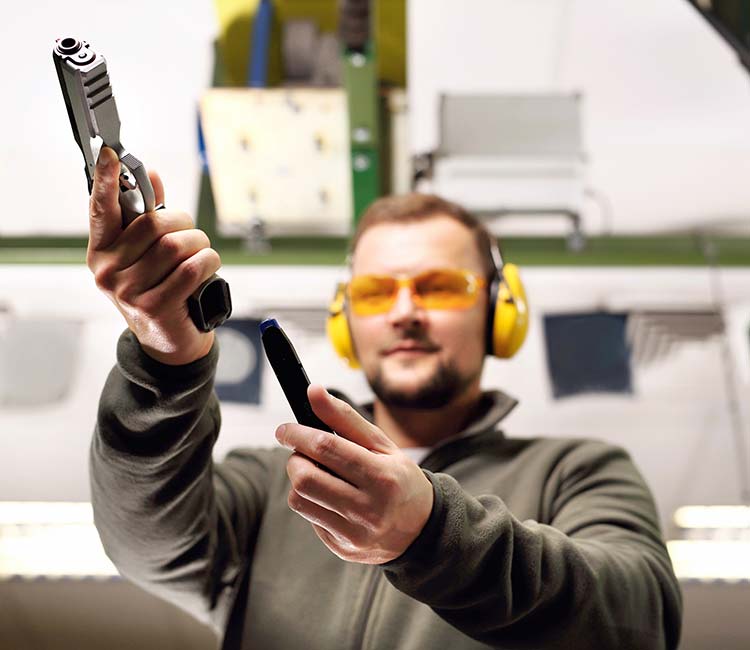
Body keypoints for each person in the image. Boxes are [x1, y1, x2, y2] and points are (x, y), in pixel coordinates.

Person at [88, 146, 682, 649]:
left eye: (439, 287)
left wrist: (432, 534)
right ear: (347, 321)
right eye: (376, 292)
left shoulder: (576, 471)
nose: (404, 313)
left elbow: (640, 620)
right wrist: (164, 361)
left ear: (500, 312)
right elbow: (147, 546)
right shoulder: (274, 484)